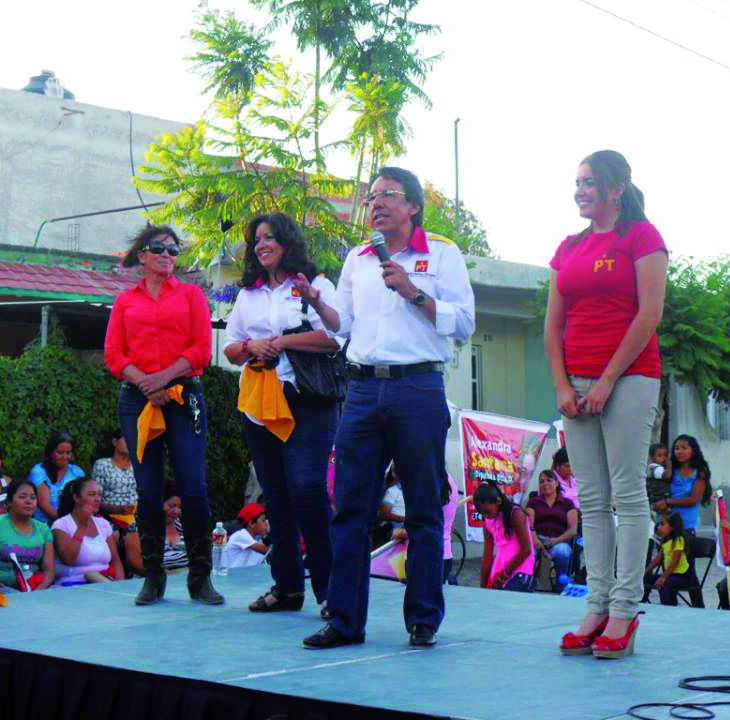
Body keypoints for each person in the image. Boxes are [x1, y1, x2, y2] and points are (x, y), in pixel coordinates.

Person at [298, 166, 476, 649]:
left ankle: (423, 618)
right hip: (360, 390)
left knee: (422, 506)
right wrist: (317, 302)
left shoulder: (442, 252)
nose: (375, 204)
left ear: (413, 205)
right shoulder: (358, 257)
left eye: (387, 195)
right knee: (350, 509)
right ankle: (344, 620)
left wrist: (413, 292)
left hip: (417, 386)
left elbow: (465, 323)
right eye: (371, 197)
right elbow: (342, 325)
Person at [546, 150, 668, 659]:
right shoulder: (569, 246)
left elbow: (649, 314)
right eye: (577, 181)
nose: (580, 190)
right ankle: (595, 607)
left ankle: (623, 610)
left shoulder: (641, 237)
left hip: (630, 377)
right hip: (576, 382)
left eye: (590, 182)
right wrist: (563, 386)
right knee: (591, 499)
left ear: (616, 189)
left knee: (628, 495)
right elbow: (553, 323)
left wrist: (606, 381)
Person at [224, 212, 339, 615]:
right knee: (275, 495)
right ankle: (288, 587)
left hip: (308, 400)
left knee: (307, 489)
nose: (262, 245)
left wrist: (283, 342)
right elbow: (231, 347)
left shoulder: (314, 284)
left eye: (269, 237)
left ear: (287, 242)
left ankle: (330, 590)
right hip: (259, 402)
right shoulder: (248, 294)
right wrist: (251, 348)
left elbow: (337, 337)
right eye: (257, 240)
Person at [104, 224, 221, 606]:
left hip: (183, 395)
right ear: (143, 255)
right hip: (138, 398)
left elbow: (201, 349)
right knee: (148, 488)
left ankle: (200, 578)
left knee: (193, 484)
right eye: (160, 248)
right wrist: (147, 384)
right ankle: (153, 577)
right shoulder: (126, 301)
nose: (168, 255)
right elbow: (114, 355)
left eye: (174, 250)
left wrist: (163, 379)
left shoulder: (191, 295)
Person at [0, 478, 55, 592]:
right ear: (9, 501)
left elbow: (49, 571)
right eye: (22, 497)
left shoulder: (43, 530)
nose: (29, 501)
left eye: (33, 498)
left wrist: (37, 592)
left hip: (34, 587)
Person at [51, 478, 124, 584]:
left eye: (99, 495)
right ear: (77, 498)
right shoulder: (61, 525)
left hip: (104, 583)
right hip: (73, 584)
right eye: (92, 494)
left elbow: (116, 561)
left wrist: (120, 585)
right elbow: (68, 559)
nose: (97, 499)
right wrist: (82, 525)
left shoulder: (103, 524)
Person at [91, 430, 142, 575]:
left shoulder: (139, 464)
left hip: (137, 514)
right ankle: (124, 572)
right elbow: (95, 499)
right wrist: (117, 509)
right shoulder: (103, 465)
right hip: (110, 516)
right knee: (118, 534)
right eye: (126, 439)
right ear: (114, 442)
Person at [475, 481, 535, 592]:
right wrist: (482, 589)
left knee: (508, 598)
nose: (486, 516)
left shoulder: (516, 514)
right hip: (500, 568)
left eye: (487, 512)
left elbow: (526, 550)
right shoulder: (487, 521)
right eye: (482, 513)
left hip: (521, 569)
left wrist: (504, 575)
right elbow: (487, 557)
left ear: (498, 501)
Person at [527, 469, 578, 589]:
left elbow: (573, 529)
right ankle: (531, 581)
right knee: (529, 551)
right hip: (537, 539)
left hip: (559, 540)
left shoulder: (567, 503)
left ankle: (561, 583)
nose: (545, 484)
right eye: (542, 481)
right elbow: (529, 525)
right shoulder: (533, 502)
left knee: (563, 551)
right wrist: (535, 540)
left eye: (549, 480)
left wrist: (556, 540)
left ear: (556, 483)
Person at [653, 435, 712, 536]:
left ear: (693, 450)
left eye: (684, 448)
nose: (679, 452)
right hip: (665, 525)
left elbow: (694, 500)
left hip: (686, 526)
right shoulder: (670, 471)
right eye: (676, 448)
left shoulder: (699, 473)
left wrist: (667, 502)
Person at [29, 431, 85, 524]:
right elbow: (44, 505)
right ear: (51, 453)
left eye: (68, 452)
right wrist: (67, 524)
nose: (65, 457)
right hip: (44, 525)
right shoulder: (39, 471)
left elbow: (82, 502)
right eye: (60, 452)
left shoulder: (77, 473)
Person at [642, 512, 690, 606]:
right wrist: (645, 572)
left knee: (663, 585)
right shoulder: (666, 541)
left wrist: (663, 577)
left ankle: (668, 608)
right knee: (644, 580)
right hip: (670, 575)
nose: (659, 527)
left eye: (662, 524)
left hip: (682, 576)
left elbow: (675, 562)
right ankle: (642, 604)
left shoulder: (679, 540)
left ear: (672, 527)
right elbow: (657, 560)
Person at [224, 503, 270, 569]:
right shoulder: (241, 535)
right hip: (233, 574)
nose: (266, 523)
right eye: (263, 520)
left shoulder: (258, 540)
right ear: (252, 524)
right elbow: (265, 550)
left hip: (246, 574)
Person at [161, 495, 188, 572]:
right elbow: (137, 562)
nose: (177, 511)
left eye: (180, 507)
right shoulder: (144, 528)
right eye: (172, 506)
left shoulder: (183, 525)